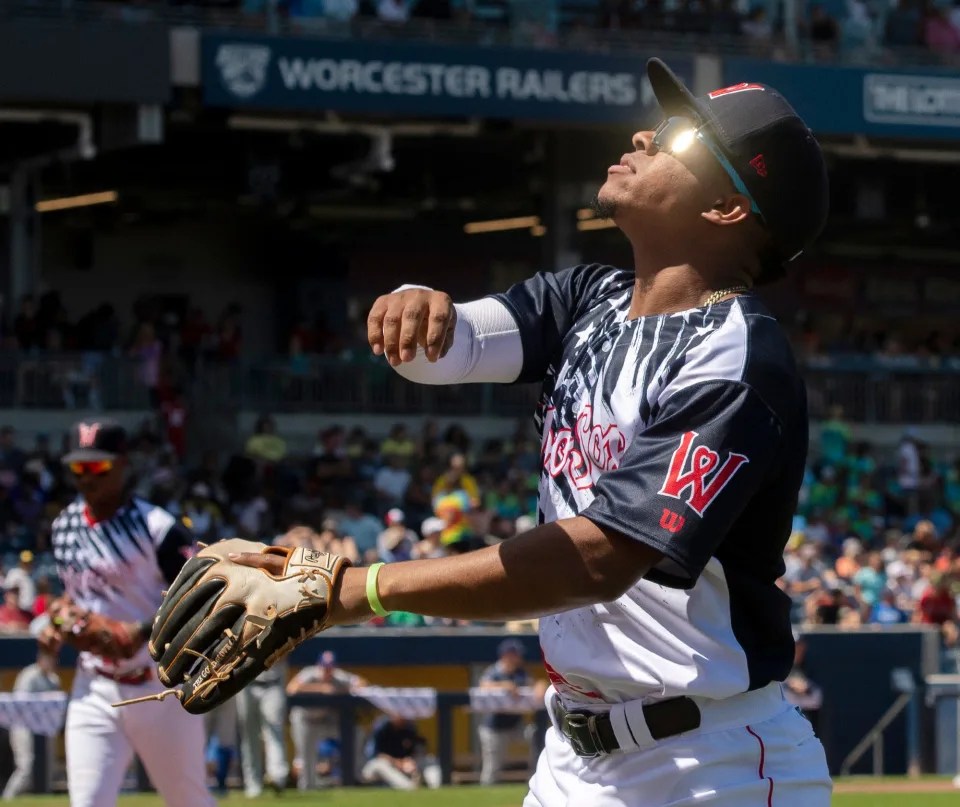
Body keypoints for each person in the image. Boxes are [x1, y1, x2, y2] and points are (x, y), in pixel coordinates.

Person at [234, 58, 832, 805]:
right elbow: (451, 349)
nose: (645, 133)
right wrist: (416, 303)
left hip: (711, 765)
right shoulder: (586, 298)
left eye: (680, 135)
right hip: (572, 758)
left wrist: (356, 590)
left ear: (725, 208)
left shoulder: (741, 357)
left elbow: (599, 557)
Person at [48, 419, 214, 807]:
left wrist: (142, 630)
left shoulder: (158, 528)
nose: (86, 478)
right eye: (78, 468)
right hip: (93, 688)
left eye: (97, 467)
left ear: (123, 465)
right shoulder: (63, 526)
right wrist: (61, 618)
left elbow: (203, 598)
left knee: (188, 800)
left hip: (161, 690)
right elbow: (73, 600)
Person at [286, 650, 367, 790]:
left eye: (330, 667)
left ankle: (354, 775)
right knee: (306, 755)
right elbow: (291, 688)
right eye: (325, 667)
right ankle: (307, 787)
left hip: (324, 721)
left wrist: (344, 689)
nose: (327, 671)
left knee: (357, 733)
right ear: (319, 665)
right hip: (304, 719)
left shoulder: (338, 676)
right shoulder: (309, 673)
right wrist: (320, 688)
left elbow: (362, 683)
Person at [1, 647, 61, 800]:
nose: (51, 662)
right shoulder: (29, 675)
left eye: (53, 659)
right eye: (48, 658)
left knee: (50, 762)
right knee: (26, 765)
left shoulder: (54, 679)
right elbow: (22, 704)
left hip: (44, 725)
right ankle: (8, 798)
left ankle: (48, 794)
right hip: (21, 723)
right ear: (40, 659)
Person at [477, 638, 533, 785]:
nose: (519, 657)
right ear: (506, 655)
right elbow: (483, 686)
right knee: (492, 768)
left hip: (516, 725)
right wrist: (504, 685)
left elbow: (533, 684)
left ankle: (537, 778)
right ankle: (485, 796)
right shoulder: (494, 671)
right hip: (494, 727)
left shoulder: (521, 672)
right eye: (516, 654)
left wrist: (540, 685)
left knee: (537, 736)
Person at [237, 662, 290, 797]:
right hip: (246, 683)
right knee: (250, 736)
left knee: (274, 729)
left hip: (273, 683)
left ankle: (277, 776)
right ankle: (253, 783)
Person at [361, 713, 441, 791]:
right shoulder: (381, 727)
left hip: (404, 767)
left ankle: (437, 787)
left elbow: (417, 749)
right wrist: (398, 763)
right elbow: (375, 755)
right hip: (375, 768)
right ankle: (409, 788)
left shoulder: (409, 728)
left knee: (430, 760)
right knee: (380, 764)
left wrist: (410, 761)